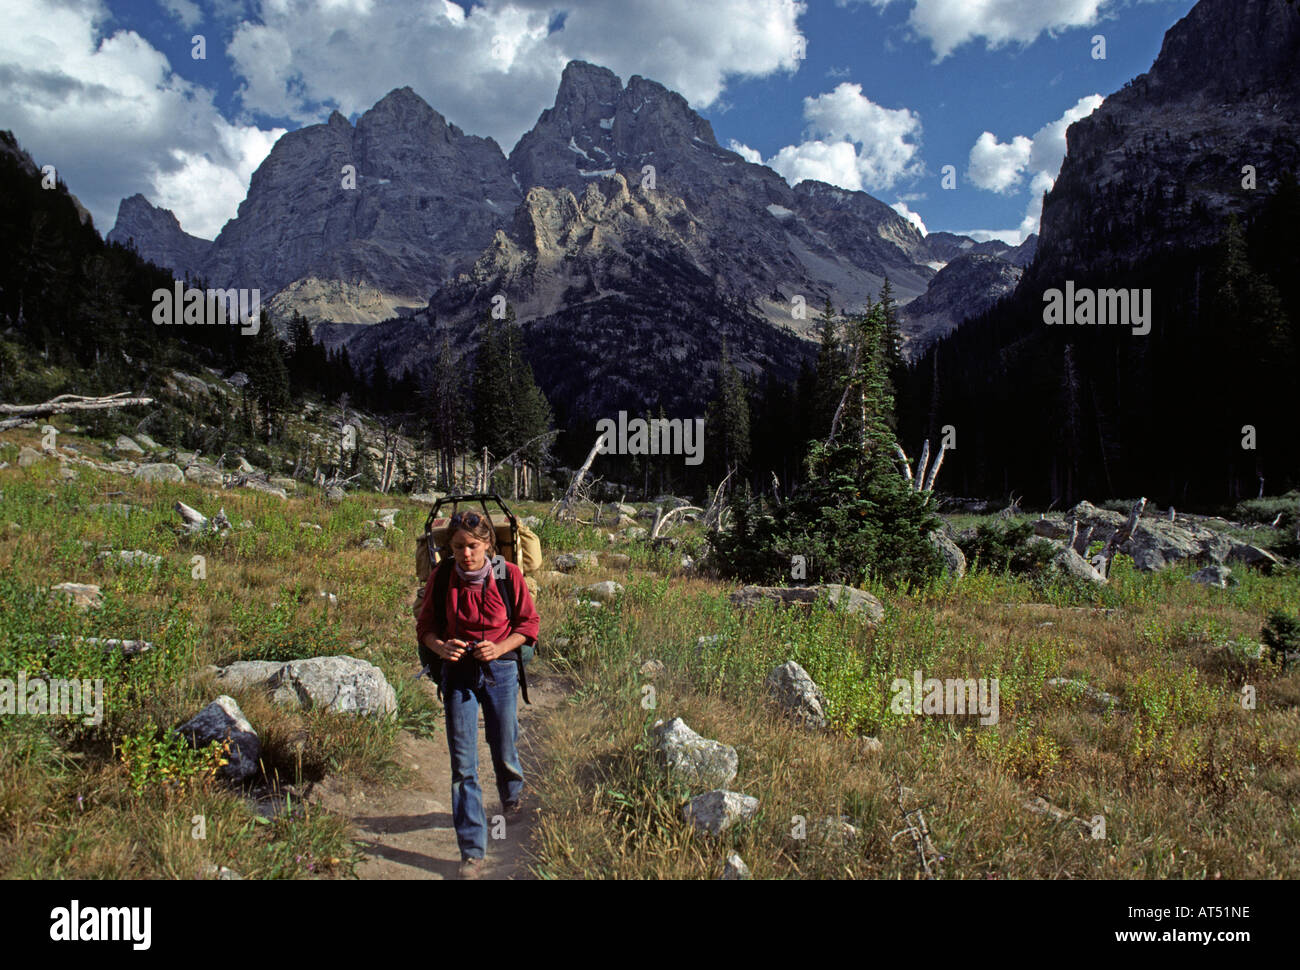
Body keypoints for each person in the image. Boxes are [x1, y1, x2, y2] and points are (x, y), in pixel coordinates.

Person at [415, 510, 539, 880]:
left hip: (499, 670)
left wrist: (499, 649)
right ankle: (472, 850)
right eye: (457, 547)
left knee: (503, 740)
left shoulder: (508, 575)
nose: (466, 554)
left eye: (472, 546)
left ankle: (511, 796)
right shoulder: (442, 577)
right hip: (458, 673)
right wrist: (440, 648)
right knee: (463, 765)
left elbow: (528, 626)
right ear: (449, 548)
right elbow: (426, 627)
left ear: (487, 544)